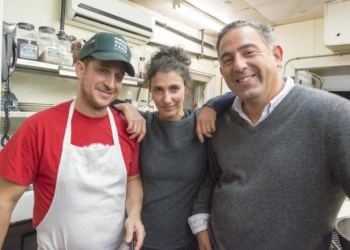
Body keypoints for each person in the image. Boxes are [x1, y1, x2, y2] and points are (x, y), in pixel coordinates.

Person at [190, 20, 350, 250]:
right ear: (222, 71)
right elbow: (213, 179)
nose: (239, 65)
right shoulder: (221, 122)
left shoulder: (333, 116)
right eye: (228, 59)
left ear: (276, 55)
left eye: (249, 52)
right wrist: (201, 225)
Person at [0, 32, 146, 250]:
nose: (110, 83)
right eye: (103, 70)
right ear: (80, 69)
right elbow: (4, 199)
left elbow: (133, 179)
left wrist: (134, 214)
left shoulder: (127, 128)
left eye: (118, 76)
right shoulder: (40, 127)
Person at [112, 46, 234, 250]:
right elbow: (96, 101)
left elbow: (238, 94)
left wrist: (213, 104)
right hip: (142, 239)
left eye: (174, 89)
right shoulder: (142, 123)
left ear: (187, 86)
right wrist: (125, 106)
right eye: (158, 90)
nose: (166, 99)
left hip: (189, 241)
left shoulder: (201, 123)